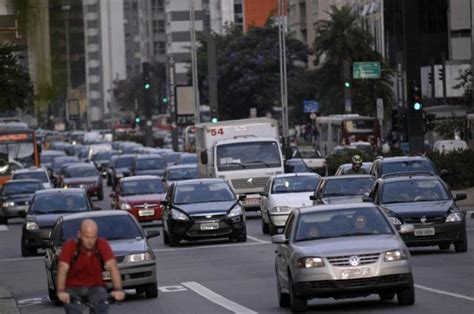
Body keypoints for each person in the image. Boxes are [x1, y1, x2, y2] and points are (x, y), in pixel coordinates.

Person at [56, 219, 125, 313]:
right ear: (79, 234)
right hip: (73, 288)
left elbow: (112, 267)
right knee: (73, 309)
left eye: (93, 237)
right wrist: (61, 291)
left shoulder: (102, 244)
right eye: (87, 237)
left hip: (96, 287)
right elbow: (62, 268)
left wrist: (118, 289)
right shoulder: (70, 246)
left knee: (101, 303)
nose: (90, 241)